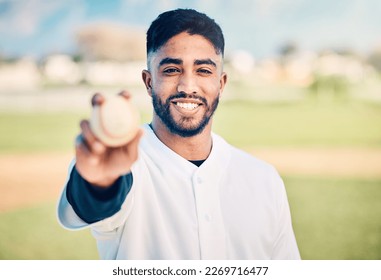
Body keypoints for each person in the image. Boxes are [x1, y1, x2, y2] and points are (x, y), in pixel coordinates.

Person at [57, 8, 300, 260]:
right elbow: (97, 203)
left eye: (203, 70)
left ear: (221, 83)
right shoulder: (122, 164)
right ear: (149, 82)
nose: (187, 86)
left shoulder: (264, 180)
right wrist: (100, 184)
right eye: (172, 70)